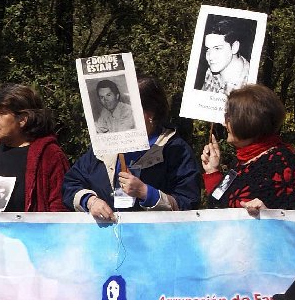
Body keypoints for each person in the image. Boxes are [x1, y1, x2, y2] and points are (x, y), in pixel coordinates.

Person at [65, 75, 201, 220]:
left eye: (131, 109)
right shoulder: (105, 145)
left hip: (155, 239)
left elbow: (189, 204)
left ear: (151, 114)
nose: (123, 113)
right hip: (107, 239)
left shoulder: (175, 150)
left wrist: (146, 193)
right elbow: (71, 183)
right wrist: (90, 201)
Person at [200, 84, 295, 215]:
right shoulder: (242, 161)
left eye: (229, 118)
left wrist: (267, 214)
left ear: (246, 120)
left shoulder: (279, 162)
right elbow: (219, 206)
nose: (224, 123)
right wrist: (212, 172)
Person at [0, 83, 70, 212]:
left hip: (26, 232)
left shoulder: (50, 156)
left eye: (1, 113)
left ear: (23, 119)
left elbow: (60, 210)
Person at [199, 17, 251, 95]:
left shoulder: (249, 83)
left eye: (217, 48)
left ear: (234, 47)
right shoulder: (212, 70)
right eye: (207, 49)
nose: (210, 57)